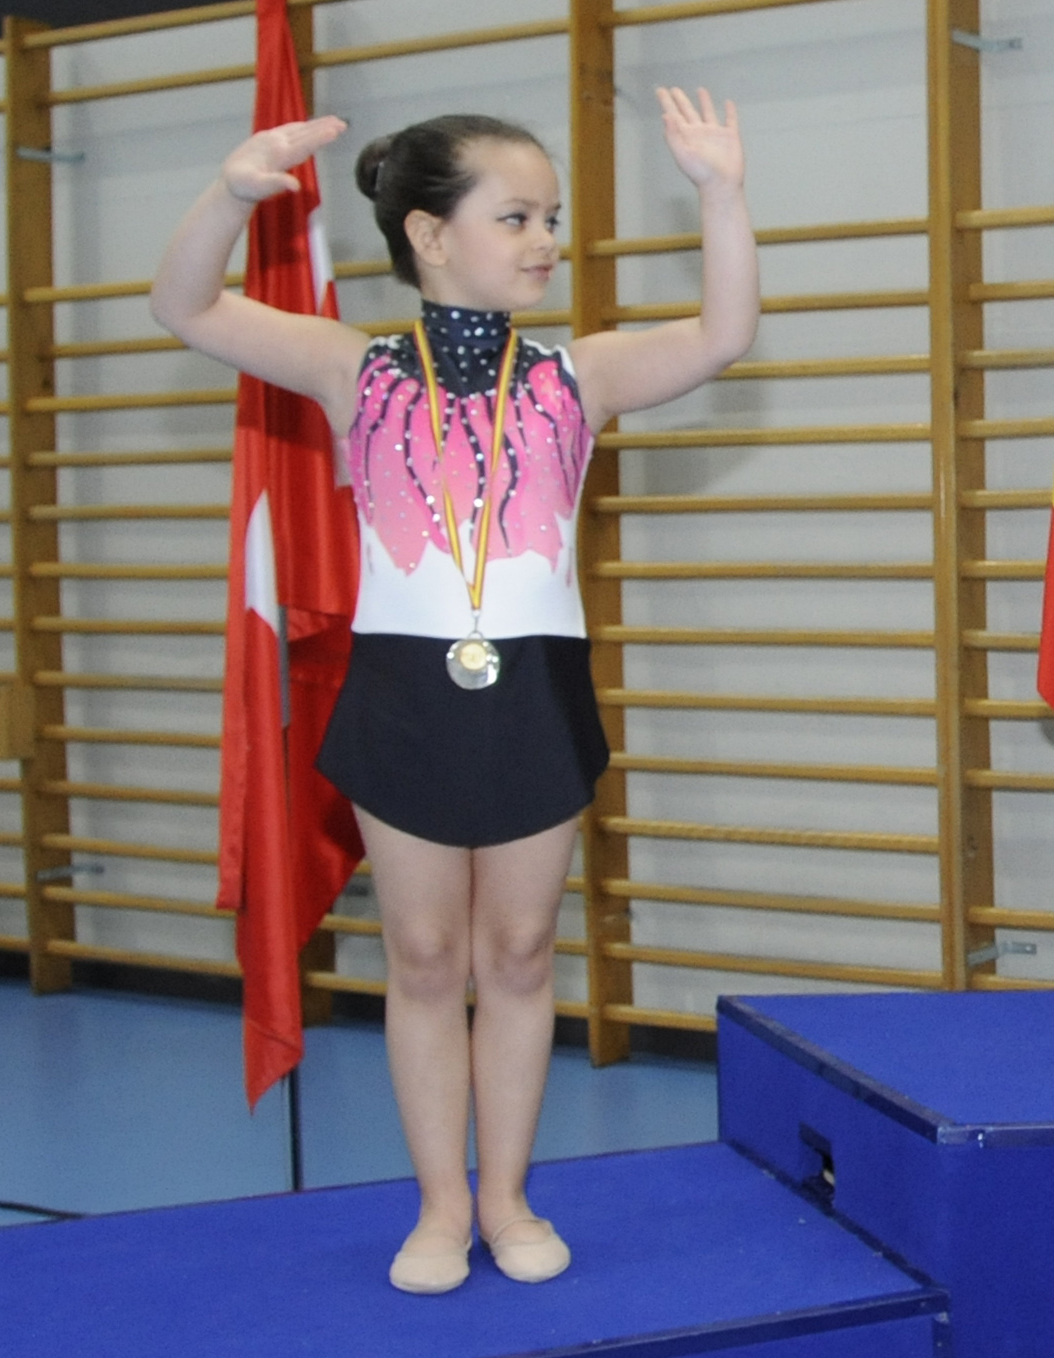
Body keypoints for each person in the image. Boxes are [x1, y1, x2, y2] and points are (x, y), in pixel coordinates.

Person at [151, 91, 757, 1293]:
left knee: (521, 952)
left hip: (533, 685)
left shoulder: (578, 373)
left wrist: (722, 193)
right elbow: (185, 306)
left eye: (552, 218)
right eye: (517, 217)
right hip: (404, 689)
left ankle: (509, 1198)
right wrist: (230, 191)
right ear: (430, 235)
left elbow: (725, 334)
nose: (546, 240)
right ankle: (438, 1208)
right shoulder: (356, 369)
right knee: (427, 956)